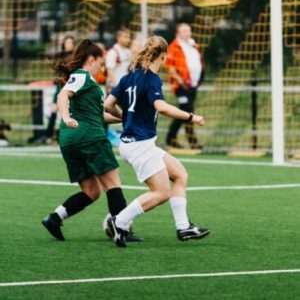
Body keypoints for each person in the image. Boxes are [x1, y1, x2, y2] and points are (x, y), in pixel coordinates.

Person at [104, 36, 211, 248]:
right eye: (164, 58)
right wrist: (191, 117)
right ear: (161, 56)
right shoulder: (151, 78)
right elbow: (161, 107)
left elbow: (108, 104)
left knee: (180, 174)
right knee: (161, 192)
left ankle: (183, 227)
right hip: (139, 144)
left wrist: (124, 117)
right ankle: (119, 222)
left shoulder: (128, 77)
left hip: (136, 143)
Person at [42, 39, 143, 242]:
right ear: (91, 59)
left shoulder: (86, 82)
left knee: (92, 191)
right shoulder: (81, 76)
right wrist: (66, 117)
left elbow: (98, 115)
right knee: (113, 183)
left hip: (70, 141)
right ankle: (121, 229)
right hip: (89, 138)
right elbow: (63, 97)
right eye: (101, 61)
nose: (102, 66)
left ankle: (54, 218)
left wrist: (127, 118)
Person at [165, 23, 205, 149]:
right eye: (184, 30)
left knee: (188, 112)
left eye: (189, 30)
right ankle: (174, 139)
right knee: (185, 110)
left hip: (192, 85)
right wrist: (181, 81)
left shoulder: (194, 45)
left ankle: (183, 140)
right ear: (178, 33)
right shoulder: (173, 47)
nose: (188, 33)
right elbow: (170, 67)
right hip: (181, 86)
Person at [105, 28, 132, 93]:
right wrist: (117, 87)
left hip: (126, 87)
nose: (128, 40)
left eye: (129, 37)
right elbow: (110, 71)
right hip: (115, 88)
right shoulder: (113, 52)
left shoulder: (128, 52)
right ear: (119, 38)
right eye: (126, 37)